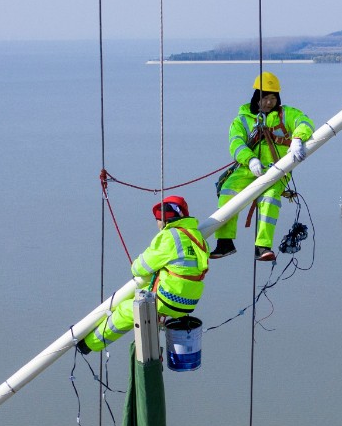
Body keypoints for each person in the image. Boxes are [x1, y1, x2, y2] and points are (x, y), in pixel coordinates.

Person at [80, 195, 209, 353]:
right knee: (137, 295)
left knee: (127, 310)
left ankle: (90, 344)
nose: (157, 222)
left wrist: (136, 263)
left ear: (166, 217)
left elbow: (140, 268)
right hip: (189, 301)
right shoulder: (198, 237)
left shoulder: (169, 237)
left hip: (169, 298)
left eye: (157, 217)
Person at [210, 71, 314, 262]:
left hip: (277, 168)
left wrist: (298, 138)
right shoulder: (242, 119)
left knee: (270, 198)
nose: (268, 102)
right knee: (227, 191)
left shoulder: (286, 115)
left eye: (273, 98)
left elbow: (304, 122)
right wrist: (250, 160)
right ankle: (225, 242)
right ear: (256, 97)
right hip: (247, 168)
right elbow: (236, 144)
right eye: (265, 98)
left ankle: (263, 246)